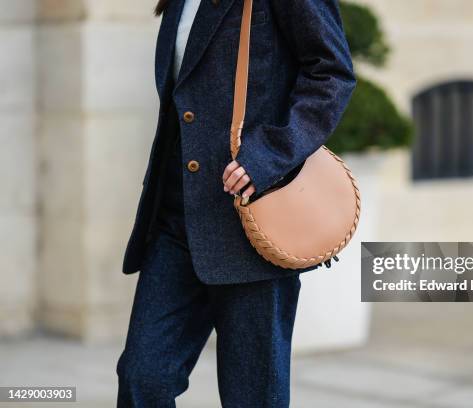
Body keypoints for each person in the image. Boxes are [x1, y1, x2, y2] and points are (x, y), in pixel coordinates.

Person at [116, 0, 356, 406]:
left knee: (252, 398)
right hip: (175, 222)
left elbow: (331, 73)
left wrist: (269, 154)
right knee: (143, 378)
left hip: (251, 221)